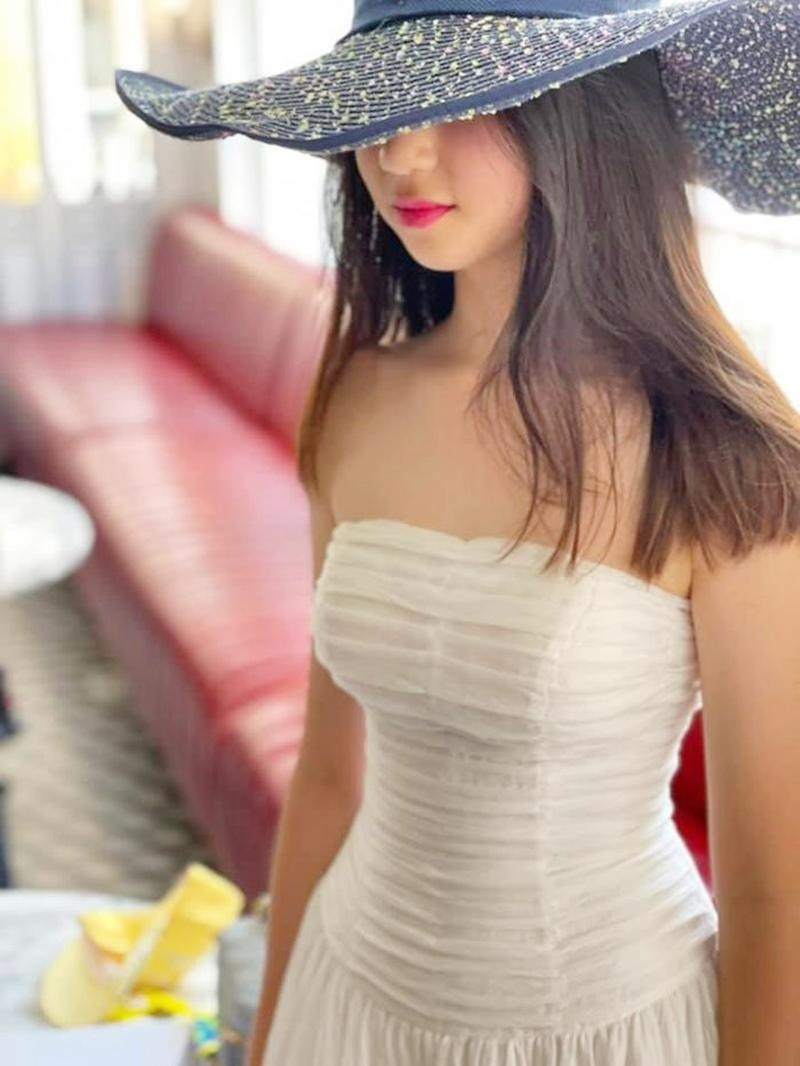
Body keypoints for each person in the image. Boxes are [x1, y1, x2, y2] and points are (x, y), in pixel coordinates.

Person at [116, 1, 800, 1063]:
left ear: (583, 113)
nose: (398, 153)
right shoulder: (356, 393)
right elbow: (329, 775)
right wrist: (273, 1035)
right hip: (344, 992)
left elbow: (771, 889)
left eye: (462, 102)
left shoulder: (720, 454)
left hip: (602, 1029)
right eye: (384, 108)